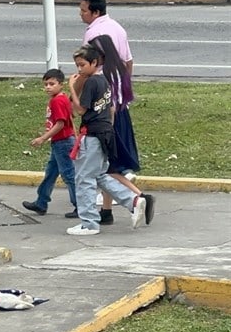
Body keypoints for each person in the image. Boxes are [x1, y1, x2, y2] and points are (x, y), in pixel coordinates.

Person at [79, 0, 153, 224]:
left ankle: (138, 197)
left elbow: (85, 70)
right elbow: (128, 62)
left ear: (95, 11)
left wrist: (76, 89)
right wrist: (122, 90)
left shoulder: (95, 35)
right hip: (119, 102)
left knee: (107, 164)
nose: (81, 14)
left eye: (83, 10)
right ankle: (107, 211)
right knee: (109, 161)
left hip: (103, 110)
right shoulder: (117, 28)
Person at [66, 45, 147, 235]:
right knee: (101, 174)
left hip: (93, 134)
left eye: (82, 65)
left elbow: (80, 110)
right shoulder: (105, 82)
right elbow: (110, 109)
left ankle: (89, 223)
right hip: (105, 132)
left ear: (94, 63)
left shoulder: (91, 82)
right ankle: (132, 200)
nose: (79, 69)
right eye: (77, 65)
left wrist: (71, 87)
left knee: (84, 178)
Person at [88, 35, 155, 225]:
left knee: (108, 168)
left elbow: (108, 106)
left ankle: (140, 196)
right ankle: (106, 211)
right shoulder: (119, 70)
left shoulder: (102, 76)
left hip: (111, 120)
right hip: (122, 116)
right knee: (111, 165)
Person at [22, 69, 78, 219]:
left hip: (63, 142)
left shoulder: (57, 101)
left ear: (61, 84)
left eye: (52, 84)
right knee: (51, 173)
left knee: (68, 174)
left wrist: (43, 138)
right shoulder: (62, 98)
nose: (48, 87)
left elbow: (60, 123)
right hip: (60, 142)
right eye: (46, 84)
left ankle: (80, 205)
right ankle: (41, 202)